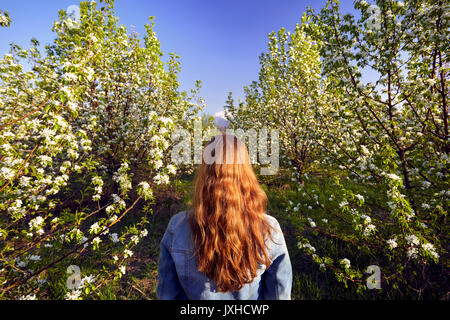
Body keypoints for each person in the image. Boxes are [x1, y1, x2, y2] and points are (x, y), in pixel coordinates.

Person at [157, 133, 292, 299]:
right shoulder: (268, 229)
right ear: (246, 171)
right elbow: (279, 294)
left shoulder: (177, 226)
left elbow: (167, 294)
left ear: (204, 173)